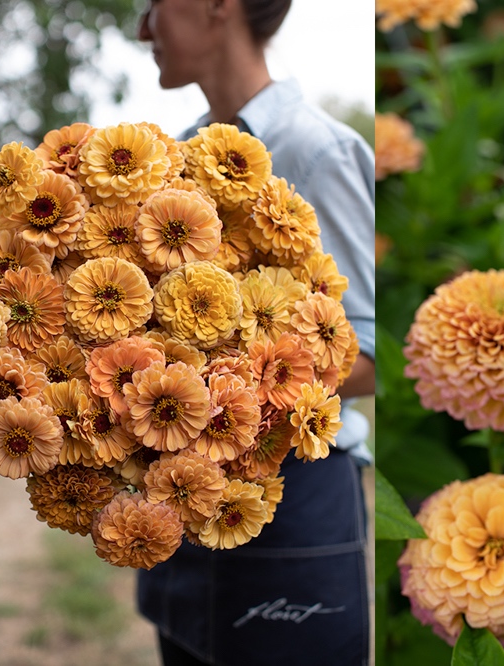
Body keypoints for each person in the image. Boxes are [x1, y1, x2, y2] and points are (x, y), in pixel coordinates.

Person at [134, 1, 376, 665]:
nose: (142, 28)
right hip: (181, 488)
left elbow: (376, 350)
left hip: (293, 497)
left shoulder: (315, 151)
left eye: (153, 4)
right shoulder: (172, 160)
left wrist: (236, 391)